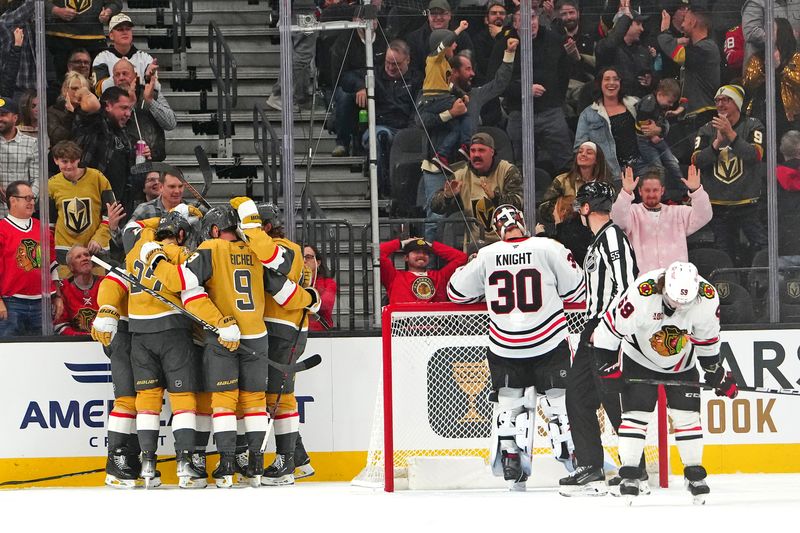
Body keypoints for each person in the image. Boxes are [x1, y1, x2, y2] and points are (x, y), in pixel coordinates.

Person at [145, 199, 319, 488]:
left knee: (266, 398)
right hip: (264, 331)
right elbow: (285, 290)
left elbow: (283, 289)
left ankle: (274, 461)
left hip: (280, 331)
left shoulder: (271, 248)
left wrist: (155, 259)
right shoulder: (253, 251)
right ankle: (262, 463)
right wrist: (310, 298)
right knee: (261, 400)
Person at [447, 204, 585, 491]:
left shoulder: (486, 254)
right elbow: (576, 288)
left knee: (508, 402)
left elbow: (455, 292)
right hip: (548, 340)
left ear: (497, 228)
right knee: (560, 401)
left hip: (506, 344)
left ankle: (510, 453)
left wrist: (475, 265)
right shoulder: (548, 246)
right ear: (523, 223)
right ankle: (571, 450)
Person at [591, 261, 738, 503]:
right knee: (635, 416)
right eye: (674, 300)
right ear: (664, 288)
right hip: (639, 357)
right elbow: (609, 328)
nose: (679, 305)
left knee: (688, 417)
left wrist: (714, 372)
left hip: (682, 362)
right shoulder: (642, 292)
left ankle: (694, 473)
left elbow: (708, 340)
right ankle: (629, 473)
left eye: (685, 301)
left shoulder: (707, 297)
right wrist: (607, 367)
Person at [558, 181, 638, 496]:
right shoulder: (599, 240)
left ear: (588, 207)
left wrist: (612, 329)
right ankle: (592, 467)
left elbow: (628, 284)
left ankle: (634, 469)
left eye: (581, 204)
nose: (579, 210)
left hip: (607, 328)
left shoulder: (612, 237)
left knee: (612, 400)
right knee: (578, 396)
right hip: (595, 327)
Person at [490, 8, 575, 170]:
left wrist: (556, 101)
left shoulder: (554, 40)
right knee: (518, 166)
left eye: (533, 17)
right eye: (523, 19)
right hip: (519, 113)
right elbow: (494, 83)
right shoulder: (503, 45)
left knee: (566, 162)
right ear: (515, 24)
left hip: (551, 112)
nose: (530, 23)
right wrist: (523, 89)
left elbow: (564, 73)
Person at [691, 84, 766, 266]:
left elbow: (754, 155)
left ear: (737, 103)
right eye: (718, 100)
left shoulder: (753, 125)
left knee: (762, 246)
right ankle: (728, 288)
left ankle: (760, 286)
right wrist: (716, 143)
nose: (721, 104)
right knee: (724, 253)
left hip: (747, 203)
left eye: (727, 100)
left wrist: (731, 135)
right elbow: (697, 162)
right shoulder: (707, 129)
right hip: (718, 206)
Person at [611, 166, 713, 274]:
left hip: (676, 280)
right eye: (647, 190)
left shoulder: (677, 213)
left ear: (662, 191)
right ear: (640, 191)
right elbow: (617, 221)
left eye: (655, 190)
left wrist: (696, 191)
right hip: (643, 282)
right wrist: (626, 193)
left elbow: (704, 215)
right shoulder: (632, 212)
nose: (651, 195)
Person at [430, 132, 523, 246]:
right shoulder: (460, 176)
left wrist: (495, 197)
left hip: (507, 243)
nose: (476, 155)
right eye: (473, 150)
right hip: (475, 246)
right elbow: (435, 207)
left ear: (492, 152)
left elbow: (519, 203)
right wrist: (447, 196)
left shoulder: (507, 170)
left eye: (481, 150)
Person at [47, 140, 122, 277]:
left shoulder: (98, 178)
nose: (69, 166)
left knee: (97, 293)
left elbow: (111, 214)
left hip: (95, 249)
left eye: (73, 161)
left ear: (79, 159)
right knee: (66, 294)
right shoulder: (51, 184)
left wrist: (99, 238)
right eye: (64, 161)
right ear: (56, 160)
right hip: (64, 251)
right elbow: (50, 223)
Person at [74, 86, 148, 217]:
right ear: (108, 106)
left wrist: (145, 158)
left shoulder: (124, 133)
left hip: (120, 205)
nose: (128, 113)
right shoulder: (94, 125)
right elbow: (89, 107)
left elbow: (131, 174)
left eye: (130, 109)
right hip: (92, 201)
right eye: (123, 108)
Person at [536, 142, 614, 266]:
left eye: (589, 152)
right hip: (568, 236)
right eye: (580, 151)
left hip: (598, 234)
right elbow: (542, 209)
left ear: (597, 160)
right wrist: (568, 206)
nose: (583, 154)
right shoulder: (562, 181)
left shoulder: (606, 185)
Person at [0, 181, 61, 337]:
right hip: (10, 302)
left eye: (33, 198)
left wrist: (57, 296)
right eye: (27, 198)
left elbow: (52, 265)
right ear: (13, 200)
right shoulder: (2, 229)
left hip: (42, 302)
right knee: (10, 353)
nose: (32, 202)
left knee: (44, 353)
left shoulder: (43, 228)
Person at [415, 19, 472, 170]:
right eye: (453, 43)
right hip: (436, 99)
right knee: (466, 113)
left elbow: (449, 85)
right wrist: (459, 29)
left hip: (440, 97)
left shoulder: (445, 64)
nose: (455, 45)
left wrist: (461, 94)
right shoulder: (434, 59)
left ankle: (441, 155)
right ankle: (467, 145)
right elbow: (446, 41)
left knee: (455, 127)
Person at [574, 66, 642, 185]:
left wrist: (658, 129)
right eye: (607, 79)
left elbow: (661, 124)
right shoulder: (587, 114)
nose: (611, 83)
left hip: (642, 169)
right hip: (610, 175)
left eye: (616, 79)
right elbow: (579, 148)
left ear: (621, 83)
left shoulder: (635, 104)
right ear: (600, 83)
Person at [743, 18, 800, 143]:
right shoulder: (758, 57)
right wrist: (764, 67)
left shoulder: (795, 57)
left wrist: (781, 67)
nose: (767, 33)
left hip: (788, 117)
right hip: (761, 112)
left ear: (782, 32)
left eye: (771, 29)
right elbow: (748, 82)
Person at [112, 58, 176, 162]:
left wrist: (150, 101)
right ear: (113, 79)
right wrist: (130, 106)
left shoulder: (151, 93)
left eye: (125, 73)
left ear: (135, 76)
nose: (121, 78)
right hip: (122, 165)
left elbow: (171, 124)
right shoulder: (109, 99)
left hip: (153, 164)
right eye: (117, 75)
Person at [634, 78, 684, 199]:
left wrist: (676, 111)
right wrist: (653, 135)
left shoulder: (663, 102)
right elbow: (643, 124)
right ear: (660, 94)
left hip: (658, 138)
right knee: (658, 168)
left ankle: (685, 192)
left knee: (673, 164)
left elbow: (684, 102)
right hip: (644, 141)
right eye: (669, 102)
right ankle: (663, 198)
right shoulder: (648, 102)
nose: (671, 105)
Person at [380, 236, 467, 304]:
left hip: (435, 324)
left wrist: (432, 246)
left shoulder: (439, 276)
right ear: (406, 257)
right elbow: (379, 252)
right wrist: (401, 243)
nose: (421, 255)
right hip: (404, 325)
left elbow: (461, 258)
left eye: (425, 253)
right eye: (416, 252)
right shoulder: (394, 277)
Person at [45, 1, 120, 80]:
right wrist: (56, 10)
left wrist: (108, 11)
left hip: (94, 39)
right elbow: (39, 3)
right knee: (61, 82)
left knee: (96, 81)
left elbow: (116, 2)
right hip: (60, 39)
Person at [92, 13, 159, 95]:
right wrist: (119, 76)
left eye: (128, 29)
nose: (125, 32)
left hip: (139, 104)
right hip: (111, 104)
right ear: (111, 35)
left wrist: (148, 78)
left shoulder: (145, 58)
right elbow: (98, 90)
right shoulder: (102, 58)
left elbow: (156, 91)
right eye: (120, 29)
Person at [0, 96, 39, 218]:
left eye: (3, 114)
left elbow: (37, 179)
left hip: (22, 214)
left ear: (15, 118)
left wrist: (27, 200)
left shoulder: (31, 143)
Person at [54, 245, 103, 336]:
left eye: (87, 255)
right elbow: (60, 326)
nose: (85, 258)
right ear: (71, 267)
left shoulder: (105, 283)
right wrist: (81, 337)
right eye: (78, 257)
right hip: (76, 344)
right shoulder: (63, 289)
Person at [47, 72, 101, 148]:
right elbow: (59, 139)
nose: (78, 92)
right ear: (65, 90)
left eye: (82, 89)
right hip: (62, 155)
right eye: (74, 88)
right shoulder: (53, 111)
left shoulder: (89, 113)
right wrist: (70, 114)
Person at [304, 244, 336, 331]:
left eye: (308, 257)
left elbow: (324, 306)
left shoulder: (328, 283)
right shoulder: (293, 282)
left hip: (319, 333)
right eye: (301, 257)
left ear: (317, 263)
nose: (304, 261)